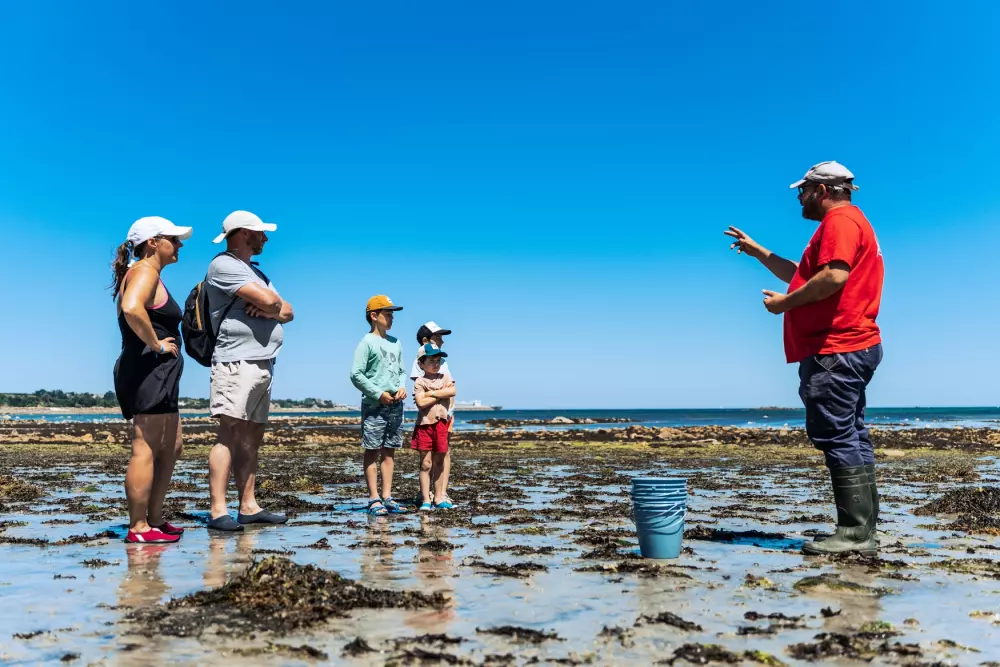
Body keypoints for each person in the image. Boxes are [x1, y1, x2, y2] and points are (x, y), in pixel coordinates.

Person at [725, 161, 884, 556]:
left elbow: (833, 279)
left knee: (836, 433)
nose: (799, 197)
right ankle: (862, 530)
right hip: (851, 346)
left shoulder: (840, 223)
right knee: (851, 433)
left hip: (836, 348)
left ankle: (854, 533)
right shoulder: (848, 223)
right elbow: (804, 273)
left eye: (804, 190)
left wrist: (783, 306)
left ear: (824, 190)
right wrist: (757, 251)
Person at [204, 211, 294, 532]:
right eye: (260, 233)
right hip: (235, 361)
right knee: (229, 433)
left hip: (263, 362)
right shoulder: (223, 265)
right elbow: (273, 302)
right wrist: (272, 306)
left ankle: (248, 506)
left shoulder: (256, 272)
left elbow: (289, 311)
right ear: (243, 233)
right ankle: (217, 510)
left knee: (252, 436)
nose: (265, 238)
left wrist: (272, 307)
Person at [111, 216, 193, 544]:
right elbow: (132, 309)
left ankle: (155, 518)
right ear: (153, 242)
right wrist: (156, 344)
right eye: (174, 238)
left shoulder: (150, 273)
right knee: (144, 447)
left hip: (159, 372)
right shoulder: (144, 271)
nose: (181, 244)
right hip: (148, 370)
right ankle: (138, 528)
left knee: (172, 446)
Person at [351, 295, 408, 516]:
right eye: (388, 314)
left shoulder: (396, 342)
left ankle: (387, 496)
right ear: (374, 316)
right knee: (372, 450)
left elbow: (402, 371)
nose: (392, 318)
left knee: (390, 451)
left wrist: (402, 387)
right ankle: (373, 498)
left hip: (396, 405)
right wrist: (378, 393)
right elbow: (356, 374)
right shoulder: (366, 343)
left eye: (393, 314)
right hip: (375, 405)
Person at [409, 322, 455, 504]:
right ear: (426, 339)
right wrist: (438, 394)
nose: (442, 340)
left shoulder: (442, 363)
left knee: (444, 453)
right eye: (438, 336)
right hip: (429, 418)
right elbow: (421, 395)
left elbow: (451, 388)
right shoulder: (420, 363)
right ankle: (427, 494)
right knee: (428, 459)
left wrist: (439, 396)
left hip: (446, 414)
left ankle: (441, 493)